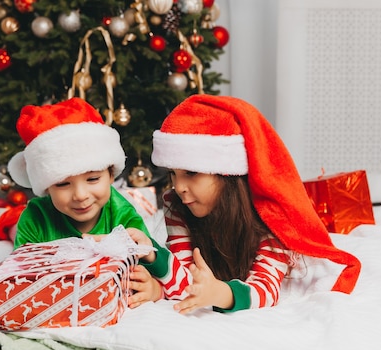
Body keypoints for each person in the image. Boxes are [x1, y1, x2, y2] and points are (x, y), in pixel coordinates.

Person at [149, 94, 362, 315]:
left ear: (227, 174)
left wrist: (220, 293)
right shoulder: (177, 204)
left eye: (191, 172)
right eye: (172, 173)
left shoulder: (268, 216)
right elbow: (186, 282)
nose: (179, 186)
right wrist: (154, 256)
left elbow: (266, 289)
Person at [0, 98, 166, 332]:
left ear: (111, 177)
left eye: (93, 179)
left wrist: (154, 288)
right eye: (63, 184)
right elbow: (20, 273)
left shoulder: (122, 213)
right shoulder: (35, 216)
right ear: (46, 187)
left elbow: (156, 260)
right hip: (34, 234)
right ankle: (0, 224)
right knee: (6, 228)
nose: (80, 195)